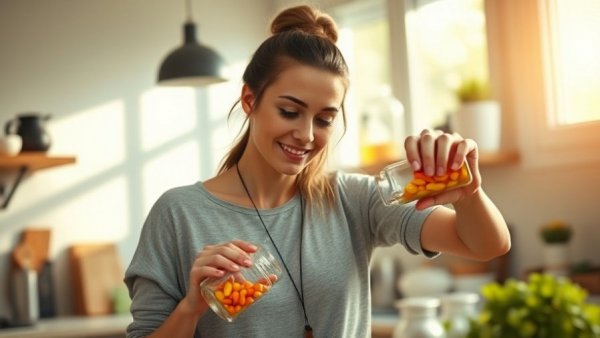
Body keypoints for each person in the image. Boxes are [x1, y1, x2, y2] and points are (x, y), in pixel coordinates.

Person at [124, 4, 510, 338]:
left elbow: (487, 245)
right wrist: (191, 307)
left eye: (324, 119)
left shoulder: (354, 199)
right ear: (249, 100)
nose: (306, 135)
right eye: (289, 112)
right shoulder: (179, 215)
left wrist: (470, 193)